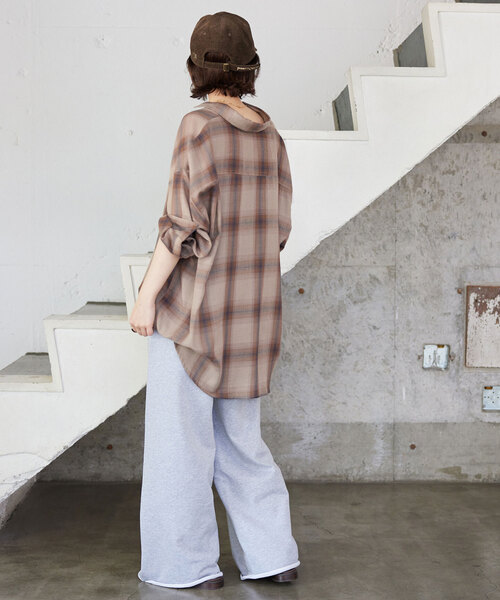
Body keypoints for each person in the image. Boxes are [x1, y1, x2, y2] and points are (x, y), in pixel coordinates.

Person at [130, 11, 300, 590]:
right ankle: (274, 556)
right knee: (242, 441)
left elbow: (180, 226)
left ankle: (187, 567)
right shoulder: (271, 135)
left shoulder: (198, 126)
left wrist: (146, 297)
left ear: (195, 67)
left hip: (195, 316)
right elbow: (279, 230)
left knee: (180, 446)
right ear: (252, 67)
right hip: (252, 320)